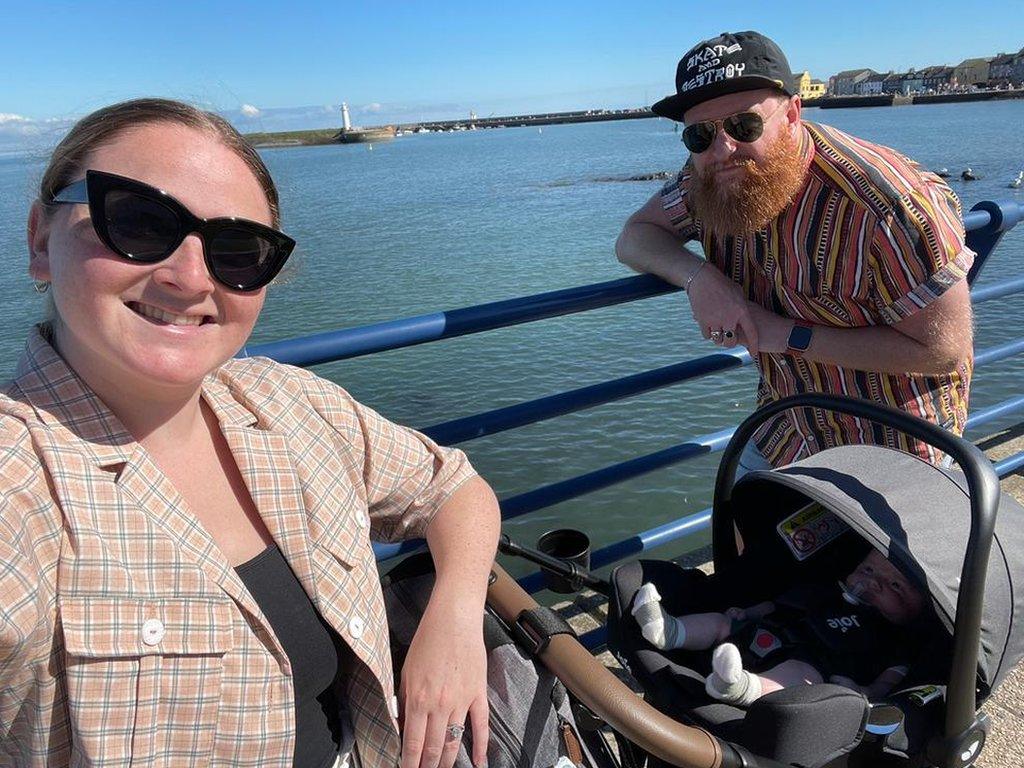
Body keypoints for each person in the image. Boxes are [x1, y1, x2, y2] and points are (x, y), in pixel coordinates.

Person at [1, 98, 501, 768]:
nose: (189, 277)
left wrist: (456, 618)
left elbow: (452, 486)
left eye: (236, 249)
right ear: (40, 239)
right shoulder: (22, 486)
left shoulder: (289, 404)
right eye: (138, 222)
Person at [616, 31, 975, 470]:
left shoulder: (883, 207)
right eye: (700, 135)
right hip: (786, 426)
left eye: (744, 125)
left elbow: (945, 350)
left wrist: (785, 335)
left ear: (792, 115)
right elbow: (635, 236)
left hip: (894, 441)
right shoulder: (708, 181)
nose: (723, 149)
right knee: (739, 526)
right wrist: (699, 278)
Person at [630, 549, 927, 705]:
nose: (871, 582)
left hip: (813, 664)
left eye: (894, 585)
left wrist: (864, 691)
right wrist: (747, 613)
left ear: (917, 611)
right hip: (759, 632)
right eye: (868, 569)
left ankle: (737, 687)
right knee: (721, 621)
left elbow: (886, 685)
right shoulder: (823, 592)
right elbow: (777, 604)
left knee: (799, 676)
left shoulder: (895, 640)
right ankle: (668, 631)